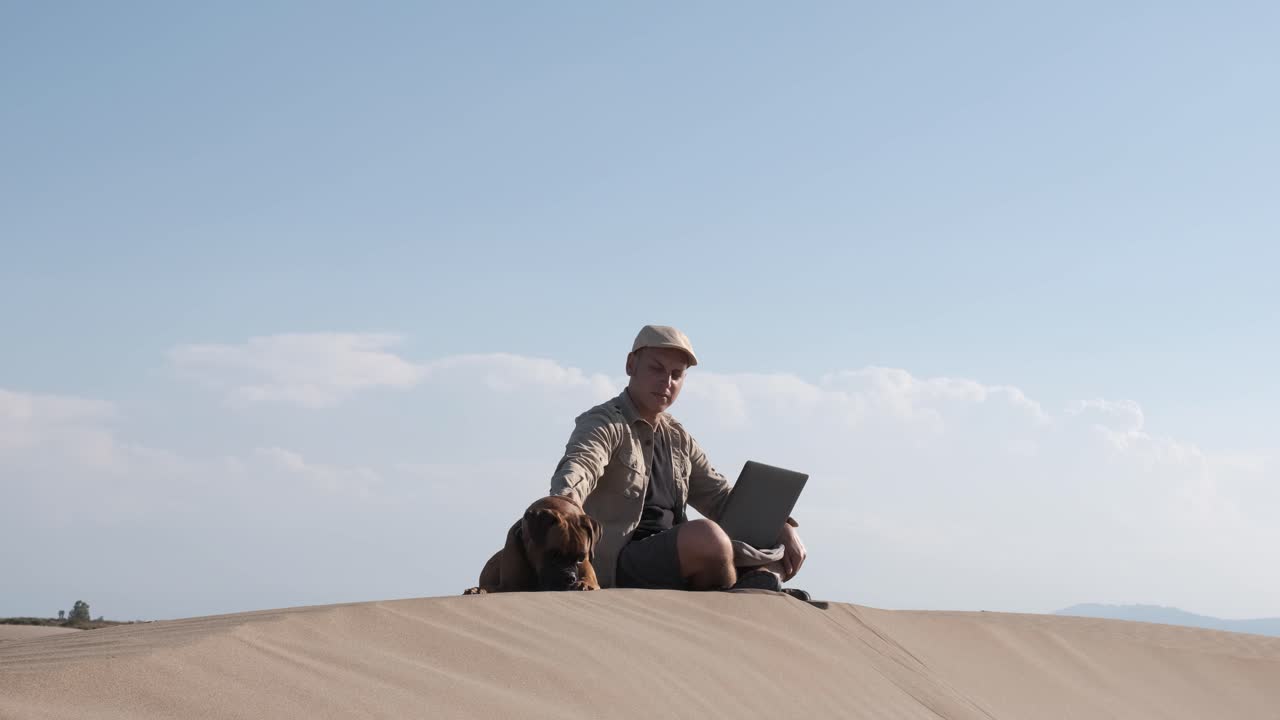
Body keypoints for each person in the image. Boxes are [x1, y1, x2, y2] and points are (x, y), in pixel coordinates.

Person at [549, 325, 807, 594]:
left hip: (679, 557)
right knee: (709, 537)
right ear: (631, 364)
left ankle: (756, 581)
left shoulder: (678, 437)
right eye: (656, 369)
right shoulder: (604, 422)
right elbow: (582, 465)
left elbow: (720, 498)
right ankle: (747, 585)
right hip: (621, 562)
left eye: (676, 374)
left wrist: (781, 528)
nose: (666, 382)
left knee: (777, 551)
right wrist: (565, 503)